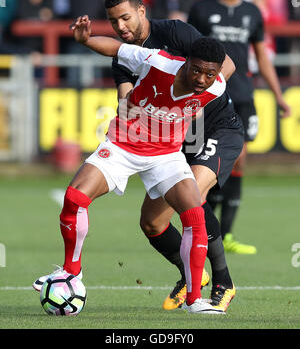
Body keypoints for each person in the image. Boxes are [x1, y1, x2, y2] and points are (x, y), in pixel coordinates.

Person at [33, 16, 228, 315]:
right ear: (185, 61)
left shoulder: (215, 88)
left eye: (210, 74)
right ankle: (71, 272)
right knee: (74, 198)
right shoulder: (158, 61)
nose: (202, 79)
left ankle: (194, 301)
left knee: (194, 216)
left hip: (166, 155)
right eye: (197, 70)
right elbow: (116, 49)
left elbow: (217, 93)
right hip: (123, 145)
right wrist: (86, 40)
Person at [104, 0, 244, 312]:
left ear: (141, 11)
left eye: (125, 18)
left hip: (217, 128)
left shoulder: (176, 32)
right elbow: (126, 100)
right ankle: (191, 275)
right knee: (152, 222)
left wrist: (193, 102)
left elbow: (227, 65)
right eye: (113, 22)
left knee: (191, 194)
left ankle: (224, 280)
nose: (120, 27)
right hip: (175, 138)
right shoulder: (125, 57)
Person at [188, 0, 291, 254]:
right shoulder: (202, 8)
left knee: (238, 160)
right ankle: (206, 227)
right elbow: (189, 51)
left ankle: (228, 233)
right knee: (206, 164)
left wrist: (279, 95)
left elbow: (261, 56)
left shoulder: (252, 13)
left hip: (243, 96)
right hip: (209, 97)